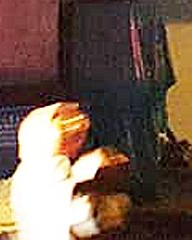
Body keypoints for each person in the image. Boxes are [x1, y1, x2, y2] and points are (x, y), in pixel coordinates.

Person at [7, 102, 129, 240]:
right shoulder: (45, 169)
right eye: (72, 135)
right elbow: (71, 221)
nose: (78, 141)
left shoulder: (30, 170)